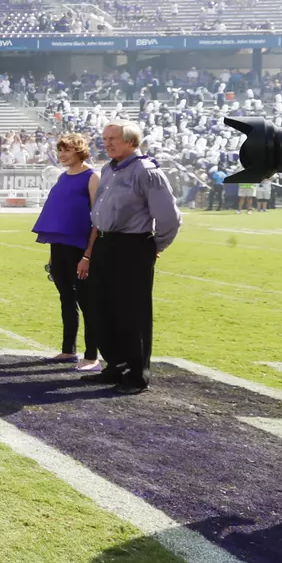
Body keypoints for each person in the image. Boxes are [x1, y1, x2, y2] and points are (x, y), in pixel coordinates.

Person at [78, 122, 180, 394]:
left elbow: (169, 218)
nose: (107, 143)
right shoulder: (108, 169)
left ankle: (136, 374)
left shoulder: (147, 171)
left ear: (132, 141)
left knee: (131, 312)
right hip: (105, 244)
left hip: (132, 245)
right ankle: (115, 366)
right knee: (103, 309)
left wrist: (152, 247)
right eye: (104, 138)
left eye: (113, 138)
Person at [32, 132, 99, 373]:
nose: (62, 154)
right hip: (59, 247)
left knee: (87, 302)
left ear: (79, 151)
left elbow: (98, 220)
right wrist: (52, 255)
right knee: (66, 299)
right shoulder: (63, 177)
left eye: (67, 150)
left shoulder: (92, 177)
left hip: (80, 248)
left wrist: (88, 255)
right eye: (60, 150)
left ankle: (92, 356)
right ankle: (69, 350)